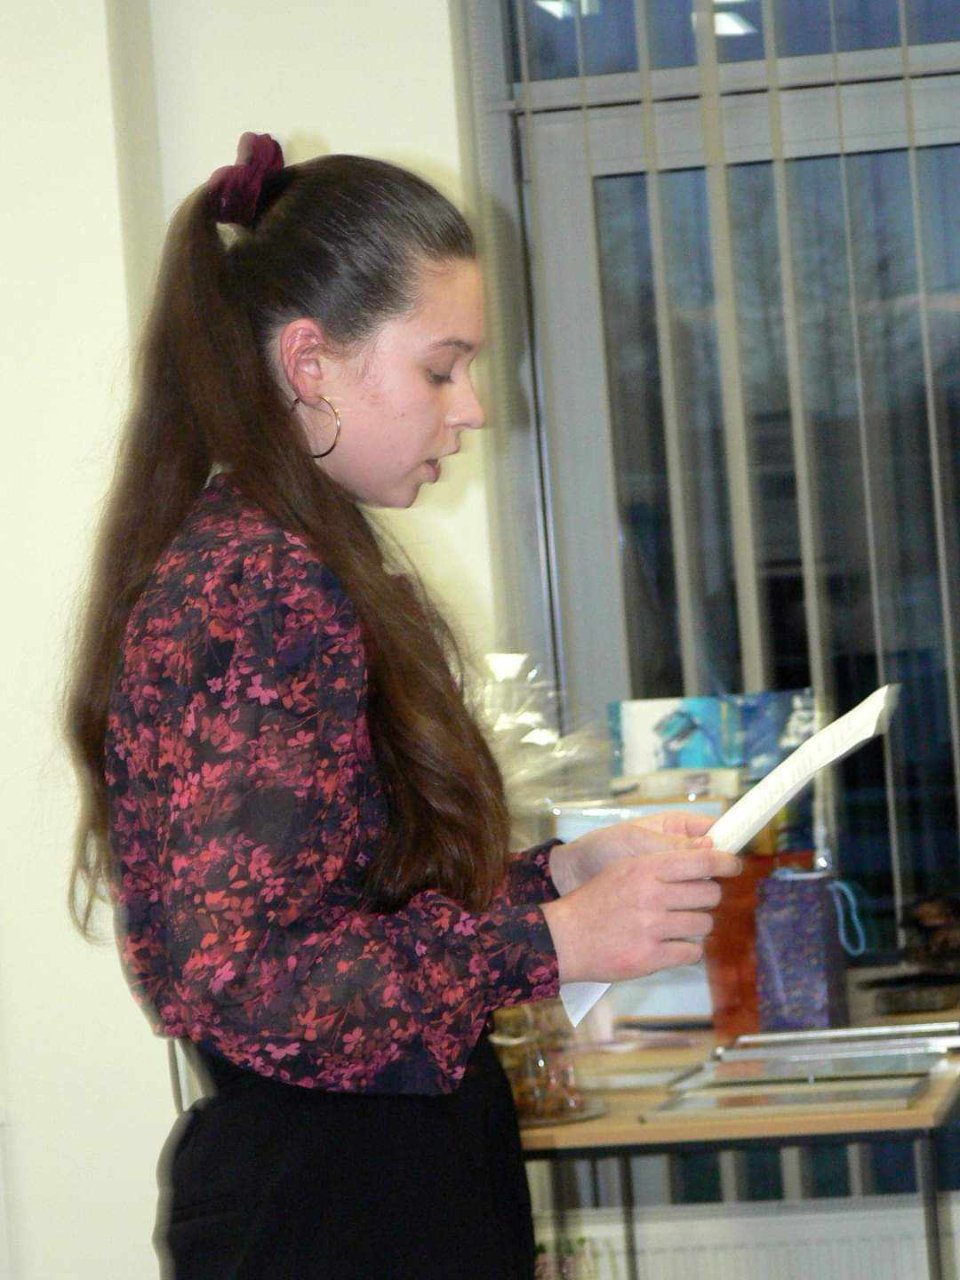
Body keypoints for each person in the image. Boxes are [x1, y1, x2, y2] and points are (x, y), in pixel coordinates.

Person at [66, 133, 738, 1280]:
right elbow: (242, 976)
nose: (473, 408)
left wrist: (553, 879)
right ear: (310, 361)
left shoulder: (285, 556)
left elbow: (345, 905)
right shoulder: (259, 582)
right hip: (335, 1207)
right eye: (442, 368)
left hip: (366, 1185)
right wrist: (553, 939)